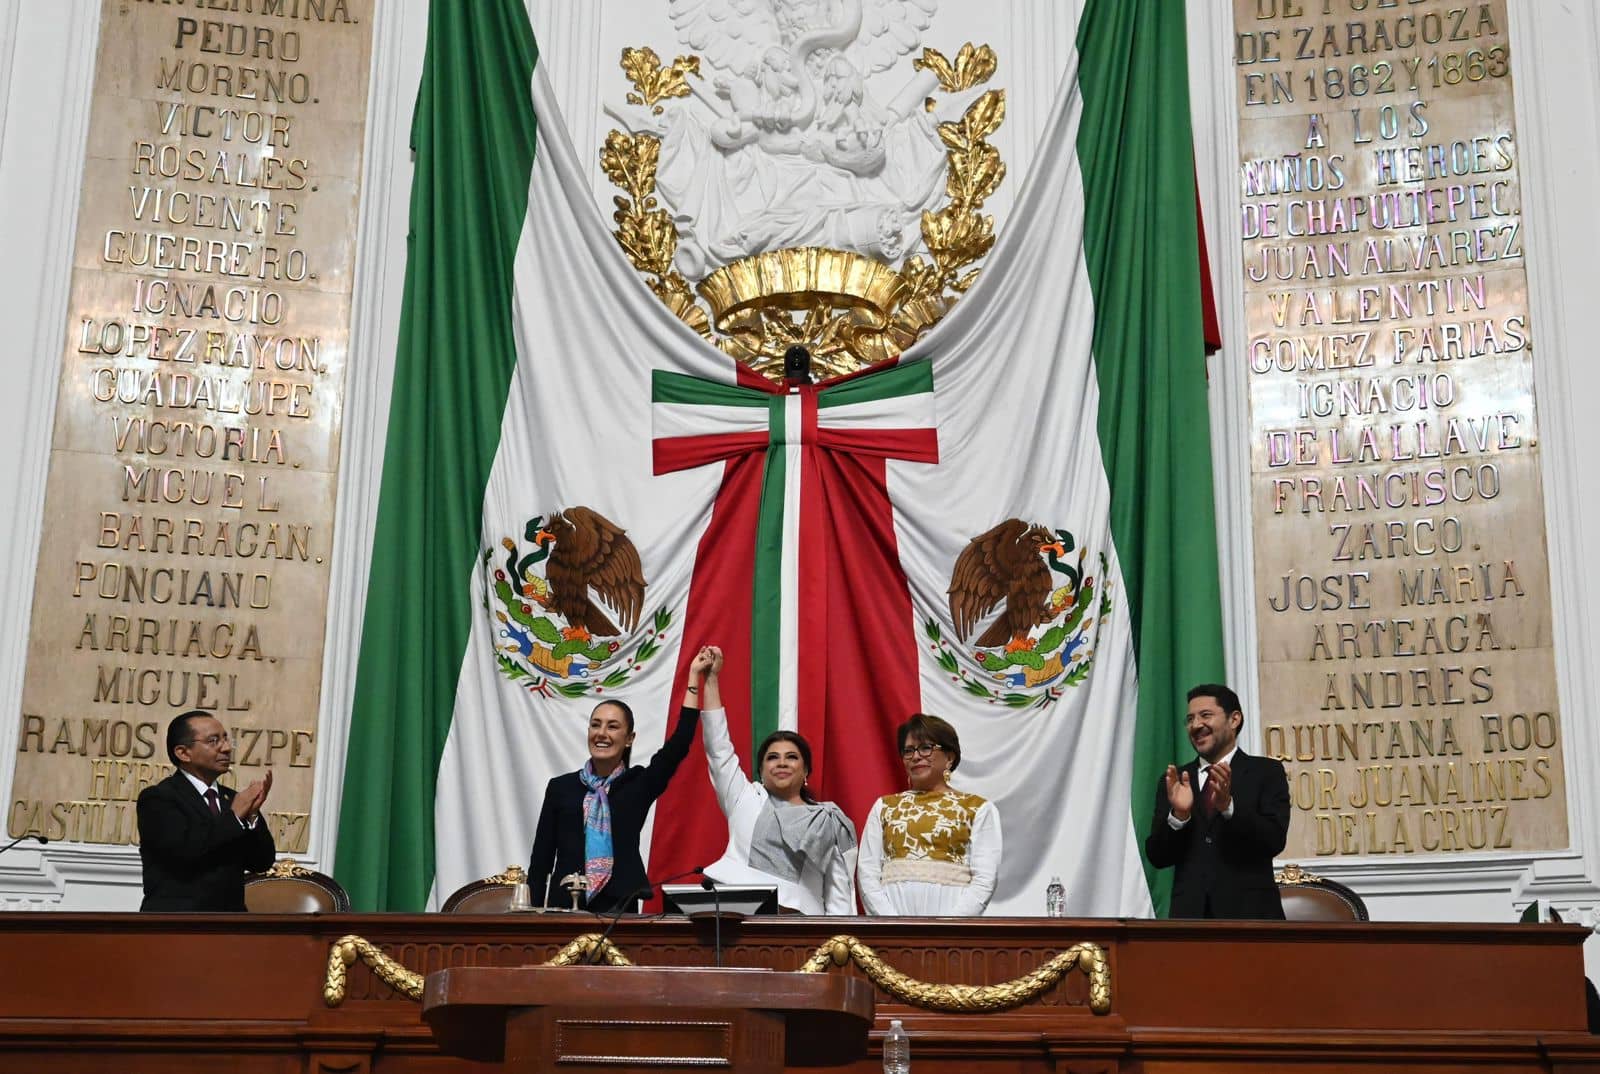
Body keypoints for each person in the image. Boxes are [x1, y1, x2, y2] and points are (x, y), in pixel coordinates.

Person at [697, 645, 857, 914]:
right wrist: (711, 680)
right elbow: (718, 747)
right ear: (761, 770)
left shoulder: (827, 819)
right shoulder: (744, 798)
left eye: (792, 757)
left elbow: (840, 890)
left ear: (806, 770)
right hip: (733, 916)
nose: (781, 762)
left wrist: (836, 943)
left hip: (800, 926)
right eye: (772, 757)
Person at [527, 676, 702, 913]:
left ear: (629, 739)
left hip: (619, 911)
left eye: (612, 726)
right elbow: (541, 861)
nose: (601, 733)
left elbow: (679, 744)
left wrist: (693, 679)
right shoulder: (561, 787)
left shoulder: (638, 784)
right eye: (595, 724)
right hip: (564, 909)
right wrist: (532, 919)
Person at [1144, 683, 1291, 920]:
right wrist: (1179, 816)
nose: (1196, 725)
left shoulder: (1266, 772)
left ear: (1234, 720)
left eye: (1206, 715)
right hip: (1190, 924)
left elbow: (1274, 840)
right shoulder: (1175, 781)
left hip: (1253, 921)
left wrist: (1229, 807)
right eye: (1190, 719)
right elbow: (1158, 857)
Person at [858, 713, 1001, 916]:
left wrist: (948, 927)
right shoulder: (884, 807)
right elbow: (867, 874)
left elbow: (985, 879)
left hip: (952, 934)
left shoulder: (978, 808)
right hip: (892, 932)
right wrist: (892, 925)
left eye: (926, 748)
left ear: (949, 757)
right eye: (908, 751)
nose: (916, 756)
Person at [136, 711, 276, 912]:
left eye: (226, 738)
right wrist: (235, 817)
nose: (226, 748)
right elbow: (186, 851)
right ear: (183, 753)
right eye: (213, 741)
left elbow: (261, 862)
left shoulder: (232, 800)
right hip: (175, 924)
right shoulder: (158, 798)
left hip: (230, 925)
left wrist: (252, 816)